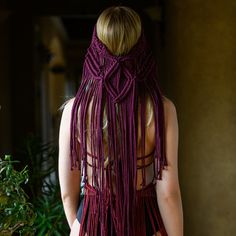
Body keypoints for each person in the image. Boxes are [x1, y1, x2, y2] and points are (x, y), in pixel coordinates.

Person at [58, 6, 183, 236]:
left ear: (96, 46)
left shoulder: (74, 111)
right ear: (141, 45)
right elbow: (168, 193)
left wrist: (78, 227)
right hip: (146, 224)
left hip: (91, 223)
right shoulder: (161, 110)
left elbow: (67, 193)